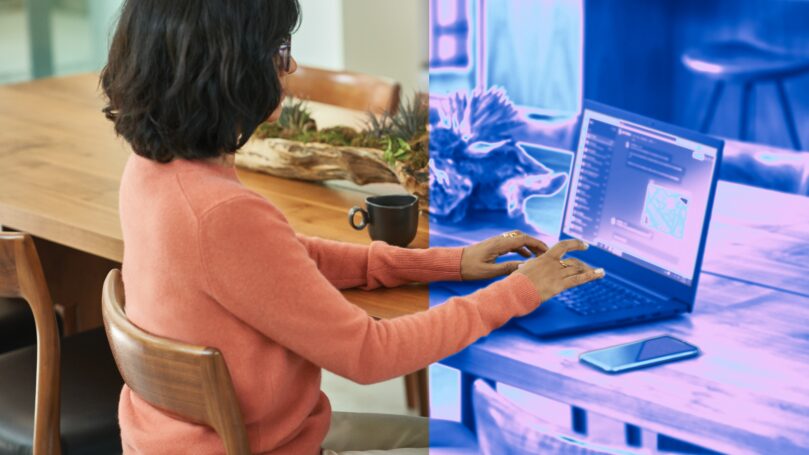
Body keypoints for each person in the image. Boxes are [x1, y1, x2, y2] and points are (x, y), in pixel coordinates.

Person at [100, 0, 604, 454]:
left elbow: (285, 261)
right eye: (278, 50)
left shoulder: (151, 171)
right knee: (469, 442)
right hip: (260, 445)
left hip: (190, 439)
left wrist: (449, 262)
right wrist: (519, 291)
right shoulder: (220, 215)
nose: (291, 65)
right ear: (225, 67)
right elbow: (369, 354)